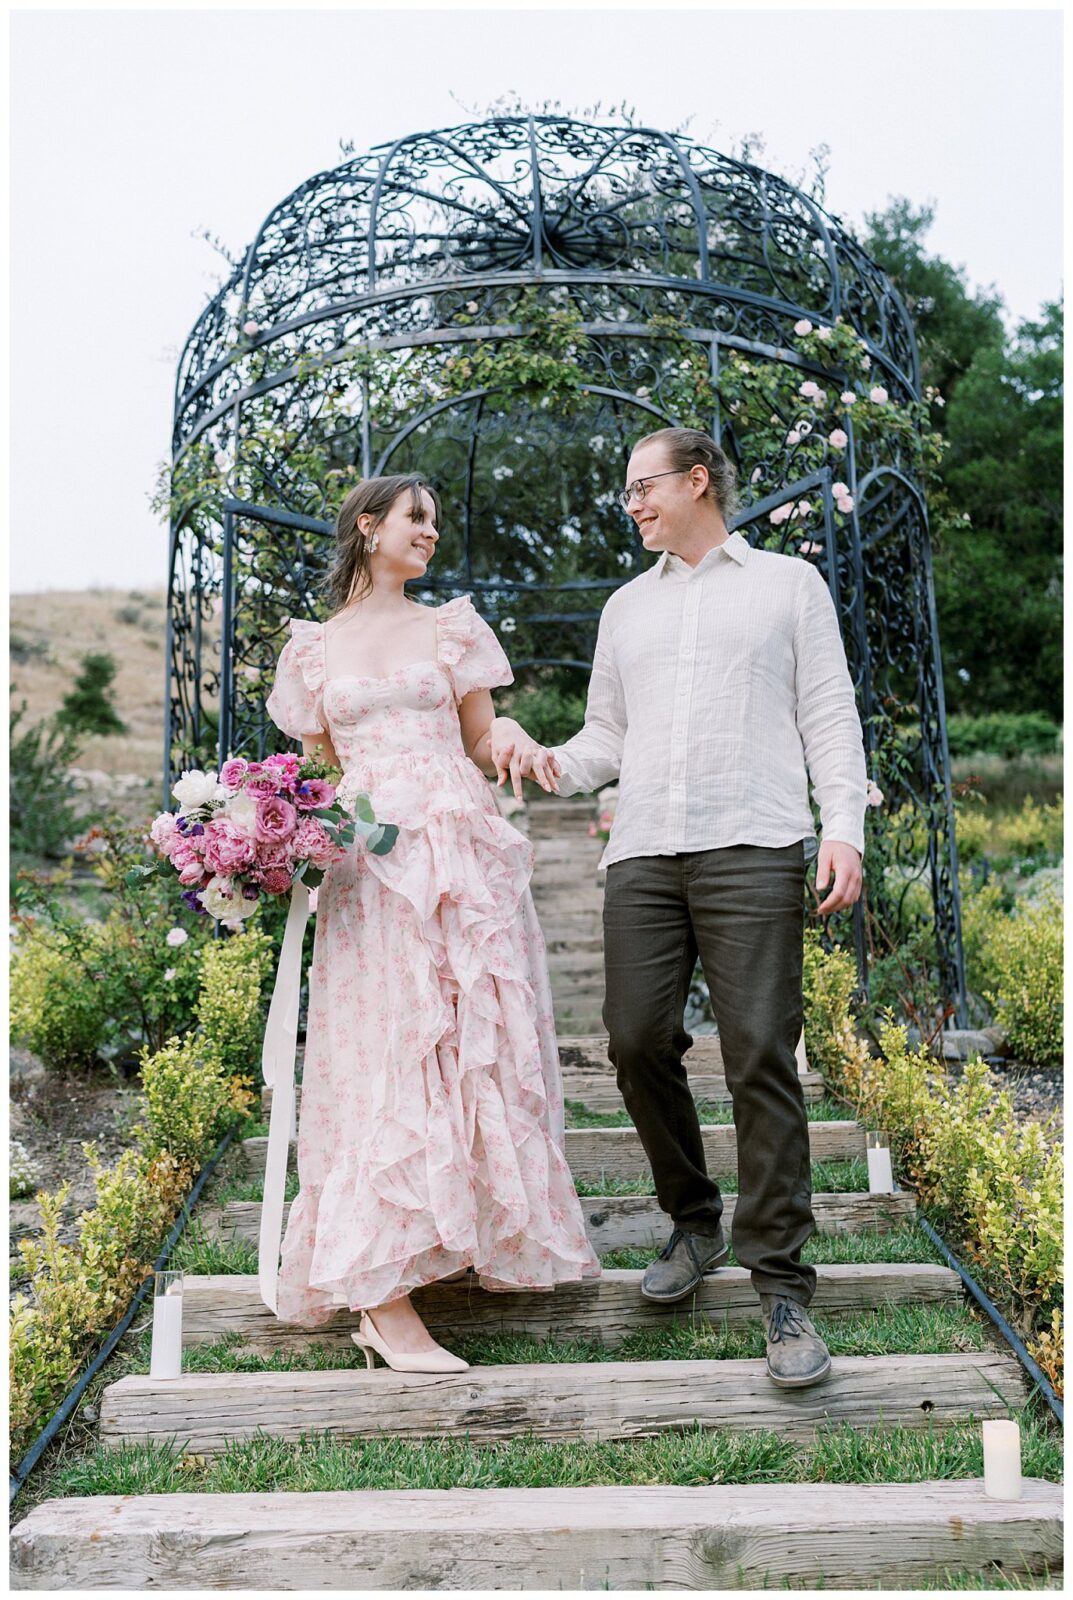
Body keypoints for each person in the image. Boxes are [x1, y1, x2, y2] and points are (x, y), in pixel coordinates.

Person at [543, 427, 868, 1389]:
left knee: (760, 1048)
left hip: (754, 840)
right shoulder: (622, 610)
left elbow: (828, 711)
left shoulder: (786, 587)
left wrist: (840, 825)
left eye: (643, 487)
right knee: (635, 1041)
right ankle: (693, 1222)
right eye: (626, 492)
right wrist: (546, 761)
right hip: (642, 848)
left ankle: (782, 1285)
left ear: (697, 481)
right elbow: (605, 734)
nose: (632, 505)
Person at [264, 472, 601, 1374]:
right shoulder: (313, 652)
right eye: (416, 519)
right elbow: (317, 778)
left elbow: (481, 738)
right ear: (368, 527)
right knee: (385, 1049)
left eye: (436, 522)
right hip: (370, 867)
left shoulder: (453, 627)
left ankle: (454, 1233)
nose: (430, 534)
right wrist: (264, 830)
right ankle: (382, 1300)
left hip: (458, 854)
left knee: (467, 1040)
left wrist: (517, 740)